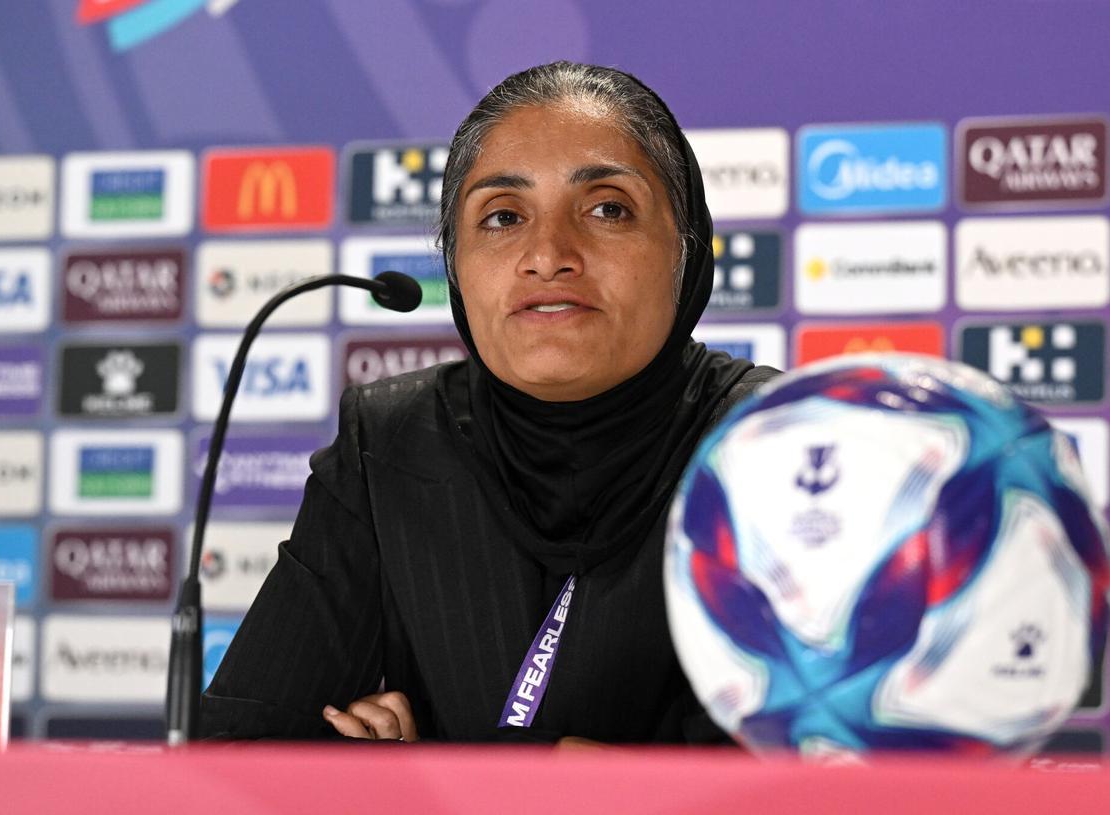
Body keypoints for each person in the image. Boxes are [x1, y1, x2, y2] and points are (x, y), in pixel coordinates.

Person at [200, 61, 780, 744]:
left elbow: (830, 771)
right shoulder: (388, 443)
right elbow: (239, 751)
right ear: (456, 265)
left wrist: (448, 775)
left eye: (607, 209)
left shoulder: (784, 444)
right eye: (503, 217)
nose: (549, 254)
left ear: (687, 248)